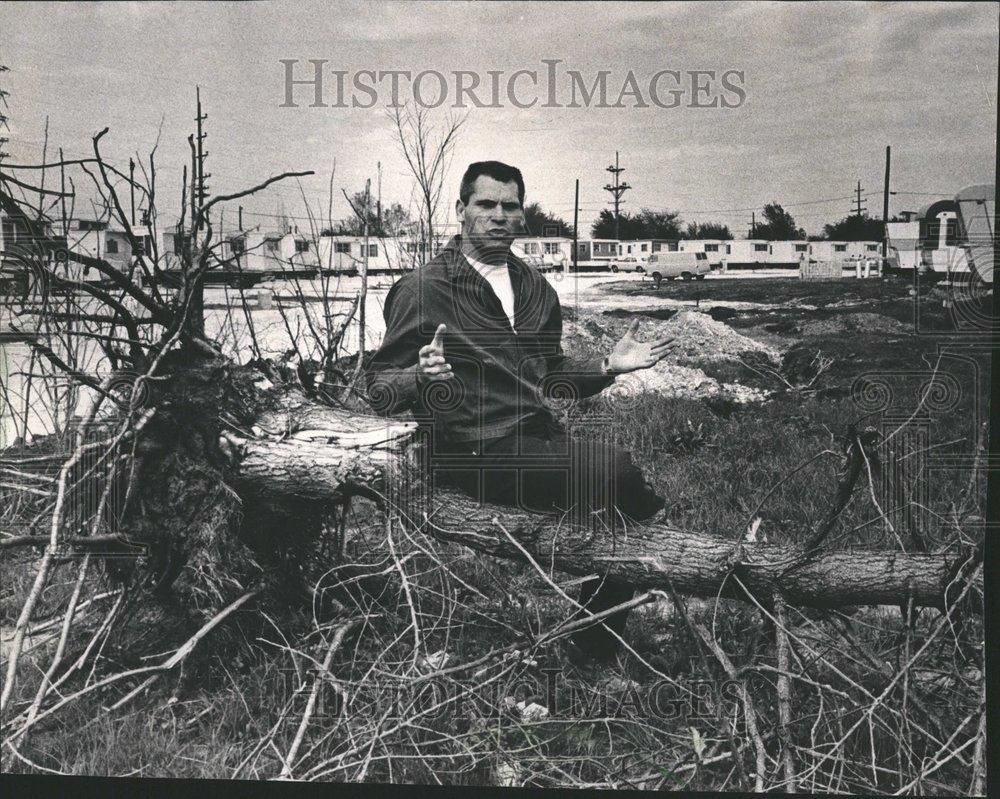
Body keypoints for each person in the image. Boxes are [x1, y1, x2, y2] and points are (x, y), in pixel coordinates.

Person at [366, 161, 673, 659]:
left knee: (613, 509)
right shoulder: (423, 288)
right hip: (469, 450)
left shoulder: (535, 290)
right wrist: (420, 376)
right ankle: (640, 562)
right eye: (486, 204)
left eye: (510, 206)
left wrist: (608, 365)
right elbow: (377, 388)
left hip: (532, 438)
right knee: (615, 469)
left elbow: (551, 375)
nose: (498, 216)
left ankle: (591, 644)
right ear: (461, 210)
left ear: (522, 215)